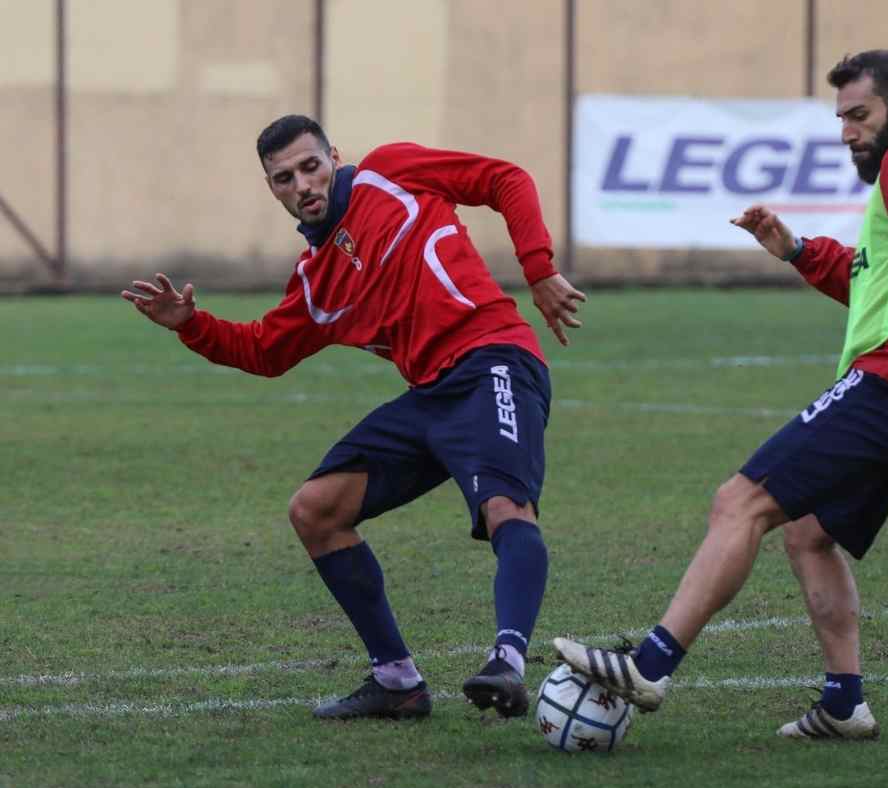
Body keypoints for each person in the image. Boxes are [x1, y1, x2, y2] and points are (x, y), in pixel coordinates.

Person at [553, 50, 888, 740]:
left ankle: (650, 666)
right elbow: (875, 277)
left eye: (859, 115)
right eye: (840, 118)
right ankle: (844, 704)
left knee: (739, 501)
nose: (846, 132)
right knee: (809, 533)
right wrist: (797, 249)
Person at [122, 114, 586, 721]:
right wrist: (191, 325)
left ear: (333, 158)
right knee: (315, 511)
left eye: (311, 166)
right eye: (284, 177)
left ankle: (508, 661)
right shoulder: (316, 281)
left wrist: (539, 267)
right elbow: (264, 350)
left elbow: (504, 179)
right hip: (428, 397)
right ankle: (397, 682)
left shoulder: (390, 173)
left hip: (492, 359)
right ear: (273, 189)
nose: (303, 185)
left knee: (505, 507)